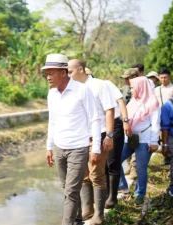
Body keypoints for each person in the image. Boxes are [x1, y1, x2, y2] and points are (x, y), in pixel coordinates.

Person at [44, 54, 101, 225]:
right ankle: (77, 220)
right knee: (67, 189)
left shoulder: (82, 90)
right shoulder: (51, 94)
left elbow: (95, 119)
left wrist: (96, 148)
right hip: (59, 147)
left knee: (70, 190)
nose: (48, 77)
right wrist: (49, 147)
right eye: (46, 74)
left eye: (51, 73)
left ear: (63, 73)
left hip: (78, 148)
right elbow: (52, 121)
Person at [68, 59, 116, 224]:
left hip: (100, 135)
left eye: (70, 71)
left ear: (80, 69)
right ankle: (87, 209)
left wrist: (109, 135)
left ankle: (99, 215)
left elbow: (110, 111)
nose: (68, 75)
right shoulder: (73, 89)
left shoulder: (99, 85)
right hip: (81, 137)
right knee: (84, 175)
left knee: (97, 174)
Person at [119, 77, 160, 206]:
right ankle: (123, 187)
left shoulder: (152, 103)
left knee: (141, 169)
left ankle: (139, 194)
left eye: (133, 87)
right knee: (114, 160)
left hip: (145, 140)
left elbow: (155, 124)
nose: (131, 90)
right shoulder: (133, 102)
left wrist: (154, 142)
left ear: (141, 87)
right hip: (129, 139)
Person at [103, 80, 132, 209]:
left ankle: (112, 197)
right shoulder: (80, 88)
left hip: (114, 125)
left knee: (112, 161)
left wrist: (125, 120)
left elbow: (120, 101)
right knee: (102, 164)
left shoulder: (105, 84)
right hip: (99, 127)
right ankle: (106, 194)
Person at [154, 68, 173, 165]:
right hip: (159, 115)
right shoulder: (156, 90)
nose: (163, 80)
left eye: (165, 77)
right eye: (161, 78)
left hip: (172, 115)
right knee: (162, 135)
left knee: (172, 135)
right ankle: (166, 155)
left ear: (169, 77)